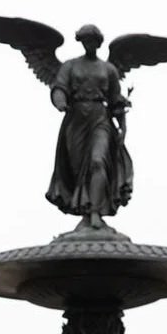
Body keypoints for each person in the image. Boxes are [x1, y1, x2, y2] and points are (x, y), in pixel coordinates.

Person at [46, 24, 134, 229]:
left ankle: (95, 211)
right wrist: (60, 100)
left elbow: (115, 100)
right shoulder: (70, 66)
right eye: (85, 40)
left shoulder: (108, 69)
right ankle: (84, 209)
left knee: (97, 161)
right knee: (77, 170)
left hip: (100, 118)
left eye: (92, 40)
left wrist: (123, 126)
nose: (89, 44)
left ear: (98, 42)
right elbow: (59, 87)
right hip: (76, 119)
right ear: (81, 42)